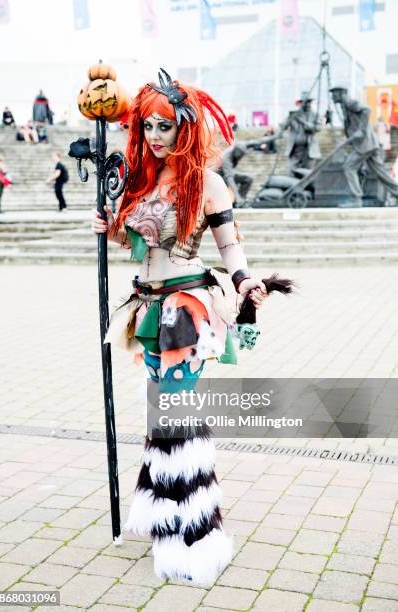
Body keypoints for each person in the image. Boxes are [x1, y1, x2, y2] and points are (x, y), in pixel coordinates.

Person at [92, 69, 267, 585]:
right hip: (146, 308)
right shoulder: (144, 180)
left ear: (185, 127)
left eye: (164, 126)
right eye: (147, 126)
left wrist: (244, 278)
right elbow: (140, 243)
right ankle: (165, 511)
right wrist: (111, 225)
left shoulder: (206, 183)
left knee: (174, 410)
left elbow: (229, 244)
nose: (154, 136)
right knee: (161, 411)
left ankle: (194, 530)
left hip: (184, 309)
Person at [330, 86, 398, 207]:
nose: (332, 97)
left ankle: (356, 199)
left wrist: (361, 130)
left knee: (349, 166)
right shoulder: (344, 106)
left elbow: (367, 110)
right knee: (381, 173)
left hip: (365, 144)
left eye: (334, 94)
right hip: (369, 144)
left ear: (341, 93)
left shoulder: (349, 102)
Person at [219, 139, 273, 207]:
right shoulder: (226, 158)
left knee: (248, 179)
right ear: (235, 151)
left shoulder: (243, 144)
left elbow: (258, 141)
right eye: (239, 154)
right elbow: (230, 179)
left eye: (242, 154)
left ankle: (241, 200)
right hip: (219, 177)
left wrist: (275, 136)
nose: (240, 156)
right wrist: (237, 197)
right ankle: (238, 200)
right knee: (228, 184)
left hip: (228, 173)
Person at [280, 92, 321, 172]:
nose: (308, 104)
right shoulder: (294, 115)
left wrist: (307, 124)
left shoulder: (314, 115)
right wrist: (289, 118)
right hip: (296, 149)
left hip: (309, 149)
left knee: (308, 171)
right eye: (305, 102)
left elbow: (318, 128)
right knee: (291, 170)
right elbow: (283, 127)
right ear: (300, 103)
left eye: (309, 102)